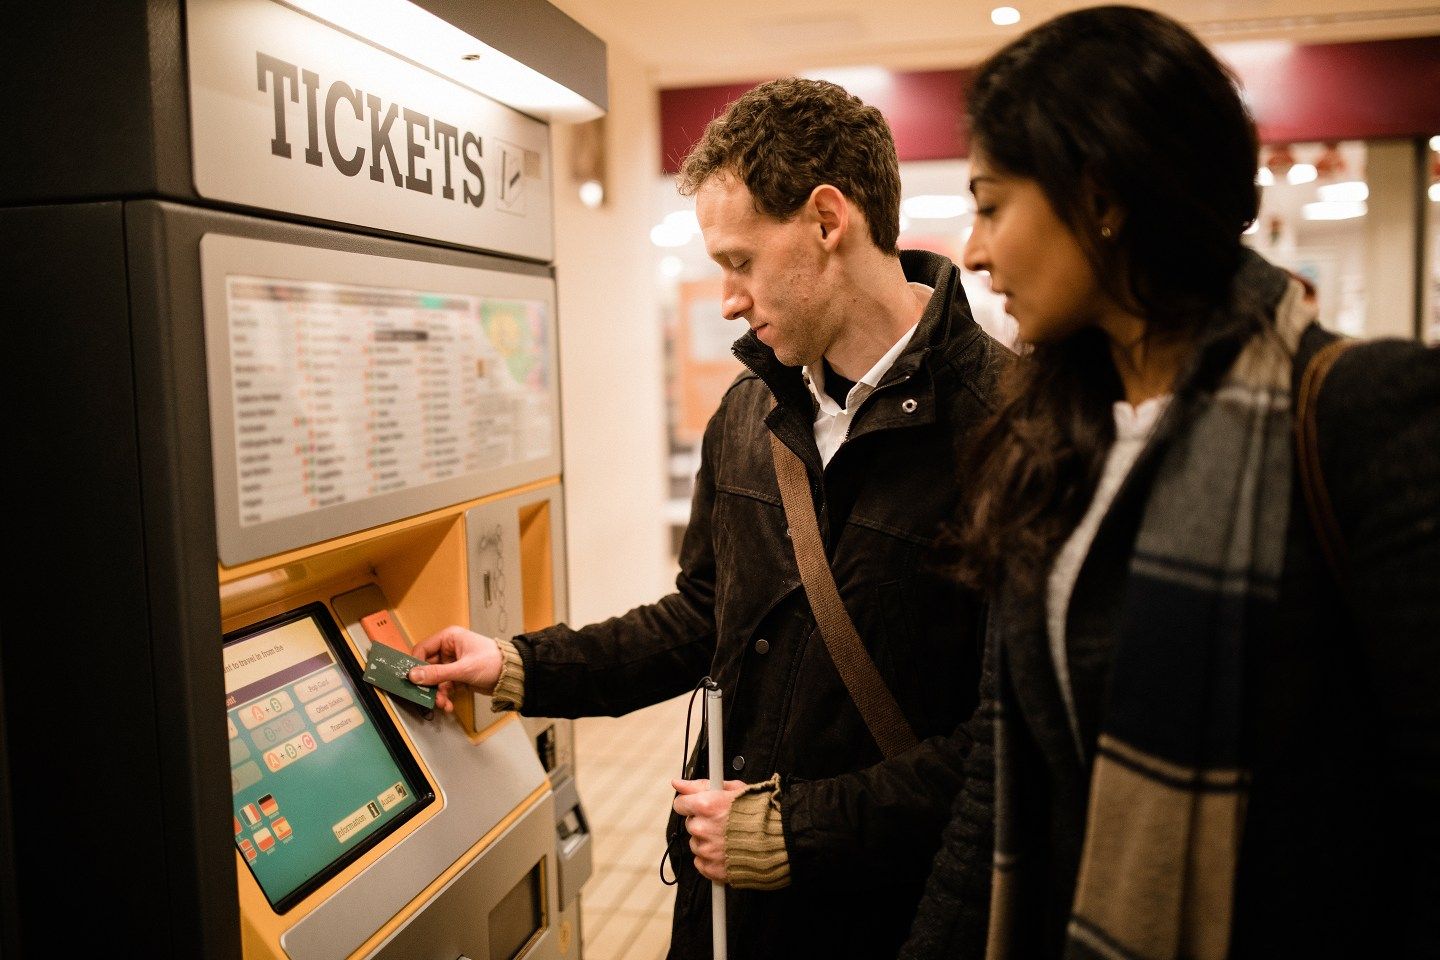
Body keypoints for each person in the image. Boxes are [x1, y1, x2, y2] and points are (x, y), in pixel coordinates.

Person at [408, 78, 1009, 958]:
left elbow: (1008, 739)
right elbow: (702, 618)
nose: (726, 298)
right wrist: (518, 666)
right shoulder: (749, 414)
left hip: (893, 916)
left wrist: (793, 829)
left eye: (739, 261)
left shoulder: (1010, 428)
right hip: (728, 914)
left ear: (827, 221)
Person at [901, 6, 1440, 959]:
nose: (973, 252)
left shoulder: (1358, 413)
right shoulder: (1047, 438)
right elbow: (1001, 768)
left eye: (991, 204)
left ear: (1102, 194)